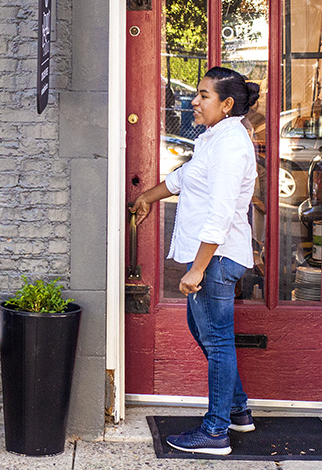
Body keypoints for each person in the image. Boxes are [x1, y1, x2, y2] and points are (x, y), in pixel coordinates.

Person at [130, 66, 260, 456]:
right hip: (213, 259)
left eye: (203, 95)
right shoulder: (214, 138)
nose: (194, 100)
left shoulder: (231, 146)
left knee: (216, 340)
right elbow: (186, 176)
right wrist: (146, 199)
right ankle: (237, 411)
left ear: (227, 104)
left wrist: (199, 268)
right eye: (198, 93)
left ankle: (215, 431)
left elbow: (220, 212)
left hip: (217, 260)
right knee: (205, 332)